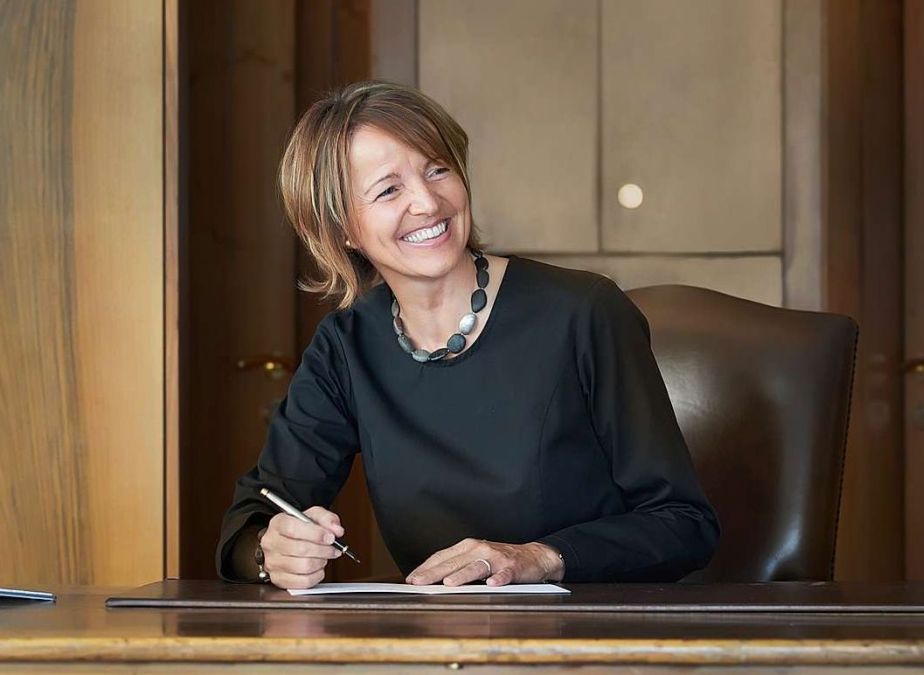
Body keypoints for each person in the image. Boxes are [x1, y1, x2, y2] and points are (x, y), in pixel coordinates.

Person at [216, 81, 719, 589]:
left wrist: (541, 557)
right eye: (388, 190)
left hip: (586, 628)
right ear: (341, 229)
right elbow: (252, 518)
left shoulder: (583, 312)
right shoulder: (347, 346)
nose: (427, 202)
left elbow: (684, 524)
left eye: (438, 169)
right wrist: (271, 552)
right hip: (438, 633)